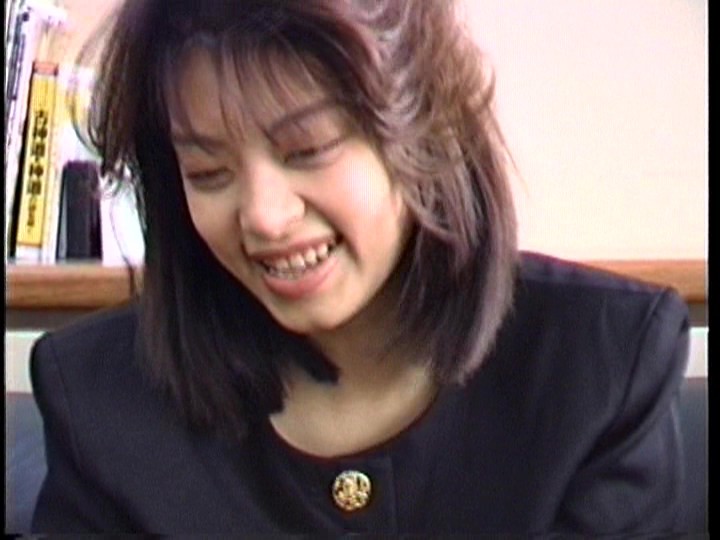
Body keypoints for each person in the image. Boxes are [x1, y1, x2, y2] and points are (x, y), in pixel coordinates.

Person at [30, 0, 690, 535]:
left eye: (307, 150)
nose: (264, 216)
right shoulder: (98, 399)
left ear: (425, 132)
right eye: (208, 172)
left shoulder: (601, 367)